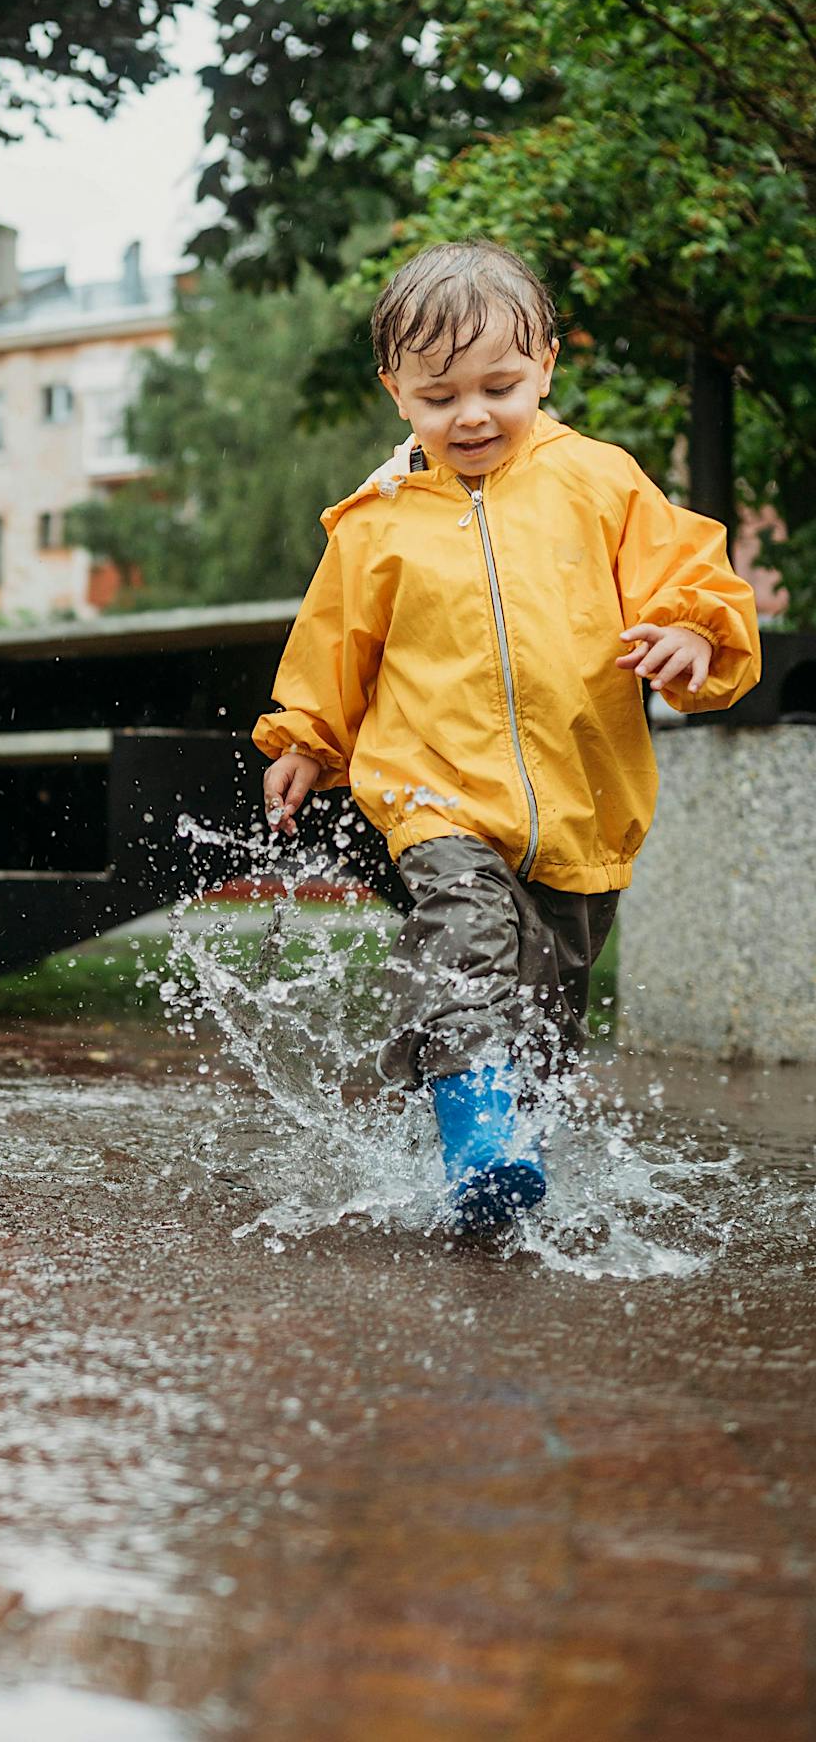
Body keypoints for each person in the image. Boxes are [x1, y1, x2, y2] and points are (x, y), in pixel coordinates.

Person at [255, 240, 760, 1232]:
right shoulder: (378, 519)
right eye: (439, 396)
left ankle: (494, 1164)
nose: (472, 415)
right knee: (465, 935)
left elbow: (687, 575)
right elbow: (333, 640)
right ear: (395, 390)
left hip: (582, 804)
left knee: (546, 1021)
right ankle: (476, 1139)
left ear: (546, 368)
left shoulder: (599, 482)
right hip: (433, 791)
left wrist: (694, 633)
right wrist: (307, 738)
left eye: (500, 386)